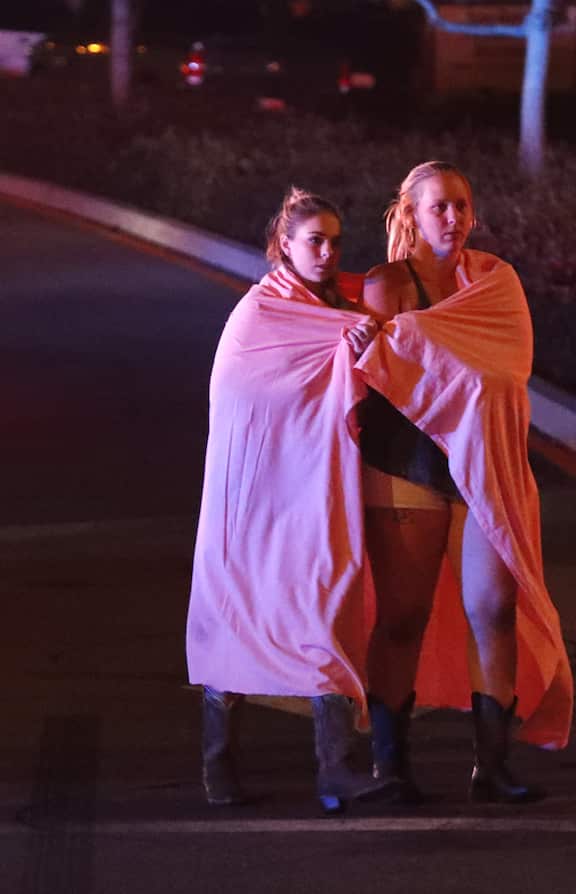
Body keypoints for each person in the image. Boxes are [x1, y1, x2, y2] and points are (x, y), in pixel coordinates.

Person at [355, 161, 573, 803]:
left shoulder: (495, 281)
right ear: (412, 214)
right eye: (439, 207)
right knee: (403, 617)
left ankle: (493, 765)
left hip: (487, 467)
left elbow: (512, 371)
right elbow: (378, 376)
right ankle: (391, 766)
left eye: (461, 205)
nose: (452, 218)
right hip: (406, 465)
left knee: (494, 609)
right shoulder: (387, 283)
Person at [187, 188, 388, 813]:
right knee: (236, 614)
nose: (327, 253)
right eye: (314, 242)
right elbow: (242, 394)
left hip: (314, 487)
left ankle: (336, 770)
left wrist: (357, 352)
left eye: (334, 241)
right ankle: (217, 768)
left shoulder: (340, 308)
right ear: (284, 246)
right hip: (249, 495)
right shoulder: (263, 313)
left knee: (326, 603)